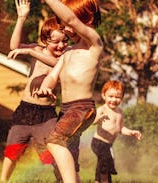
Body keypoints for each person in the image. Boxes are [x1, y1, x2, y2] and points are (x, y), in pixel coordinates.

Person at [33, 0, 103, 182]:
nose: (65, 28)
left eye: (66, 25)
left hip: (81, 108)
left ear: (87, 20)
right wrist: (45, 87)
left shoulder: (94, 44)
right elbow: (53, 76)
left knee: (54, 141)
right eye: (62, 26)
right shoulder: (68, 53)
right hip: (66, 110)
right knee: (64, 159)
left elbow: (71, 19)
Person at [0, 0, 69, 182]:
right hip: (25, 110)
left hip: (46, 115)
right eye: (56, 42)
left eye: (64, 41)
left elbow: (56, 65)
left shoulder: (65, 57)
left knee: (52, 154)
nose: (61, 46)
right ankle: (3, 181)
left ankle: (62, 179)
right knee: (12, 151)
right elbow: (14, 47)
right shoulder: (36, 48)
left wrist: (31, 53)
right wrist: (21, 18)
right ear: (45, 40)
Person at [91, 80, 142, 183]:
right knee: (105, 160)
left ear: (122, 98)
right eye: (111, 96)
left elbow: (121, 129)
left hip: (108, 144)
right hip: (98, 142)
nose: (114, 100)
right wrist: (98, 119)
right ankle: (103, 180)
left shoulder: (119, 112)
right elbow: (92, 122)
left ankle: (101, 180)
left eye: (118, 97)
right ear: (104, 95)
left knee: (106, 163)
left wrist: (131, 132)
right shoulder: (102, 109)